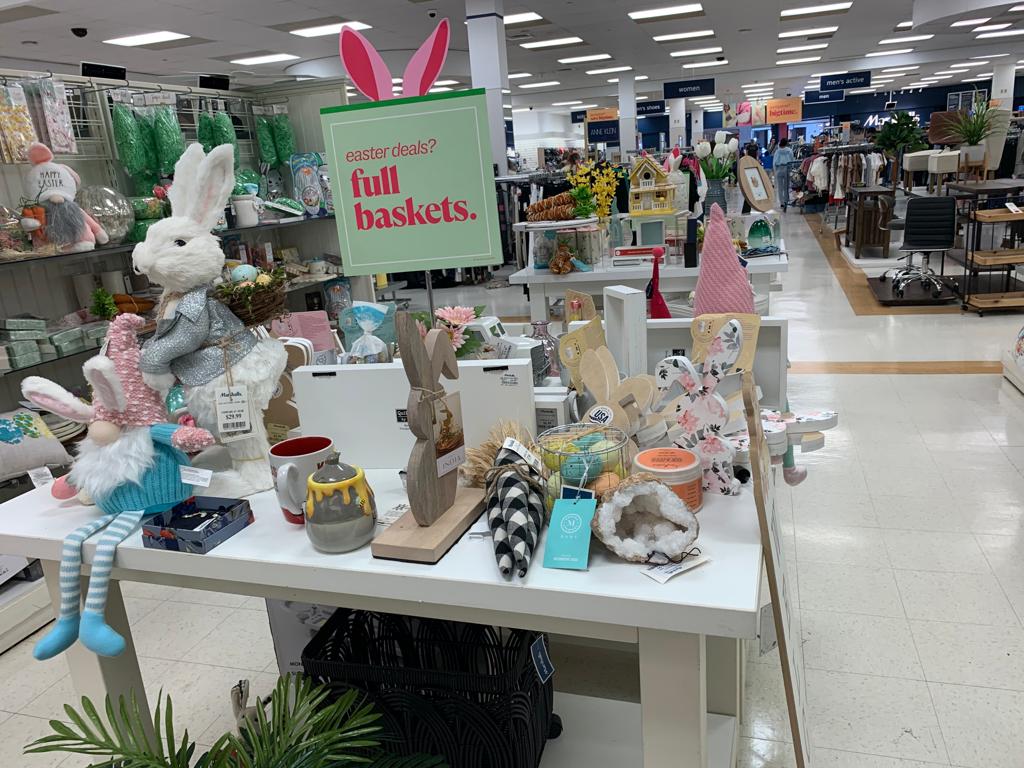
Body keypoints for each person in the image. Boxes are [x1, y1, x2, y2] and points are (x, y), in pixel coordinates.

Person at [773, 138, 795, 211]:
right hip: (787, 168)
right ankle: (786, 201)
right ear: (786, 143)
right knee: (786, 187)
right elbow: (792, 160)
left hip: (779, 169)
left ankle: (781, 203)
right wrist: (791, 169)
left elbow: (774, 162)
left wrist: (775, 171)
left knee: (780, 187)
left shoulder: (777, 151)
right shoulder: (789, 150)